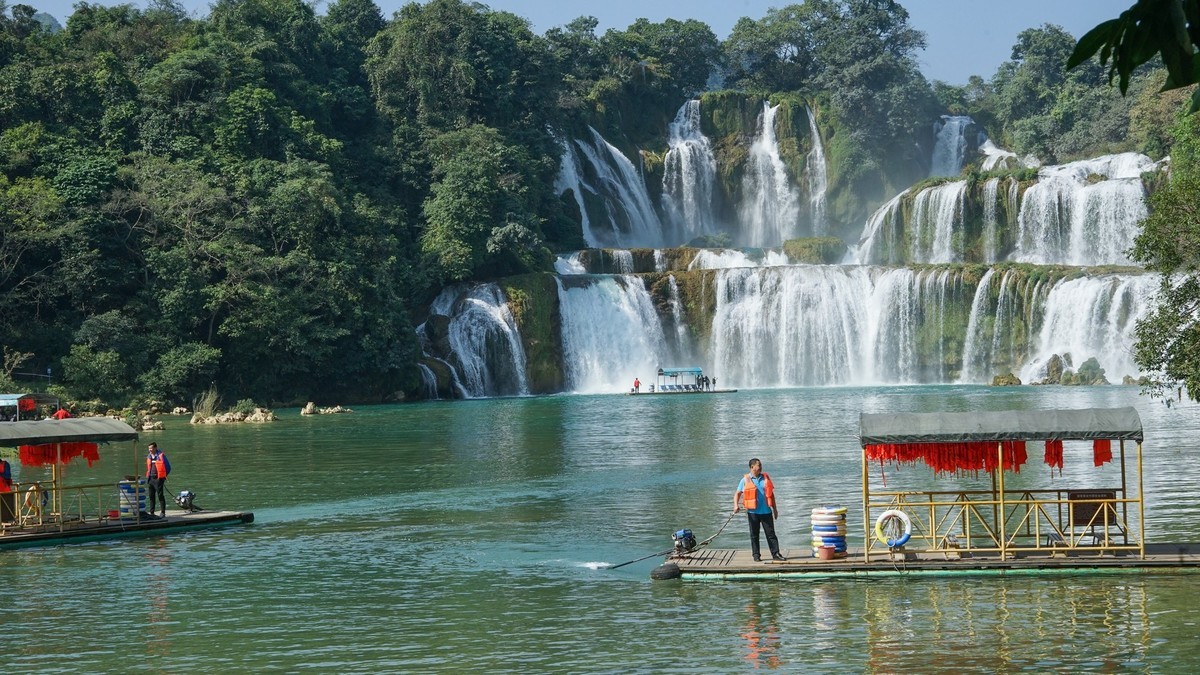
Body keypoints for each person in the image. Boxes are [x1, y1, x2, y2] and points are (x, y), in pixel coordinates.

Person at [733, 458, 785, 562]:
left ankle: (776, 554)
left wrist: (775, 509)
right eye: (758, 465)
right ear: (752, 467)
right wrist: (735, 505)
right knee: (754, 535)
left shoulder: (765, 478)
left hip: (766, 512)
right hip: (753, 513)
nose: (761, 467)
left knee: (771, 534)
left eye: (761, 465)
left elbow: (771, 494)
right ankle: (756, 555)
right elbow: (737, 494)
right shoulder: (745, 480)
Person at [145, 442, 171, 517]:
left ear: (155, 448)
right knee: (151, 496)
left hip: (158, 479)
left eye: (151, 448)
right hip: (151, 479)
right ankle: (152, 512)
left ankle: (163, 512)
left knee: (160, 496)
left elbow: (168, 467)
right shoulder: (149, 456)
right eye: (149, 448)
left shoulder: (161, 456)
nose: (150, 450)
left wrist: (163, 477)